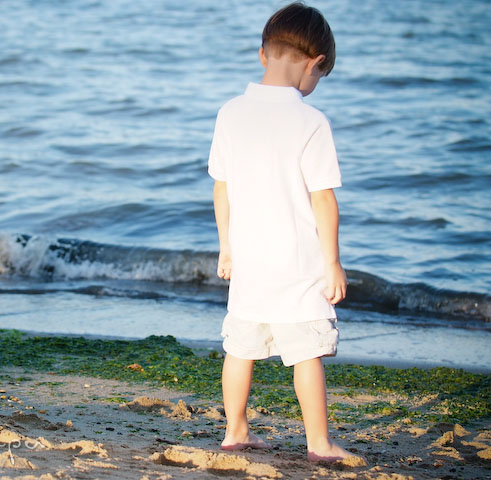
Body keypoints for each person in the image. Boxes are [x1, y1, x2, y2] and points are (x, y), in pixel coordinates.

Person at [208, 2, 363, 463]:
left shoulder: (230, 113)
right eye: (321, 76)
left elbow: (223, 188)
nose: (315, 87)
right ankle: (318, 442)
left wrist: (226, 247)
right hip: (298, 265)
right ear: (315, 63)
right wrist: (332, 261)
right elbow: (323, 199)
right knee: (306, 354)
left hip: (249, 260)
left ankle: (235, 431)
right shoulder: (311, 121)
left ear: (263, 54)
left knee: (240, 349)